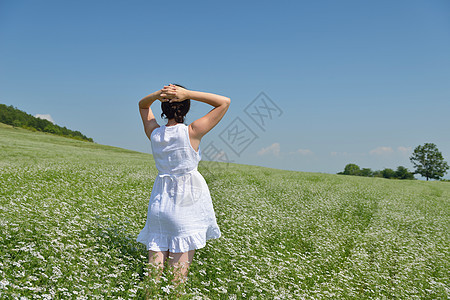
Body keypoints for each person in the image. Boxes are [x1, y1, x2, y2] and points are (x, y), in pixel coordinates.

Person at [136, 83, 230, 287]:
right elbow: (224, 102)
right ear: (185, 107)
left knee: (153, 276)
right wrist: (188, 94)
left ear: (162, 107)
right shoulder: (192, 131)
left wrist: (156, 94)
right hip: (185, 207)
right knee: (176, 283)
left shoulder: (155, 134)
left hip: (159, 205)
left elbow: (143, 106)